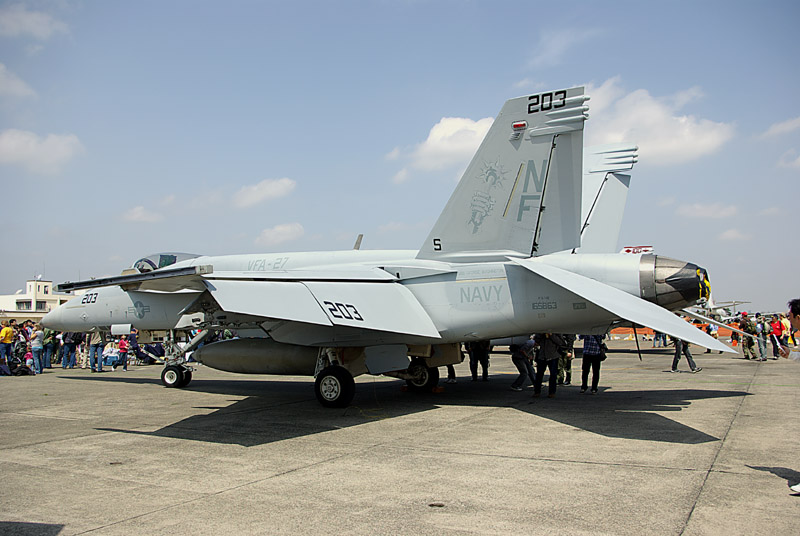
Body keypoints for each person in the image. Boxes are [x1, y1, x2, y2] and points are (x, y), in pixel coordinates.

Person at [532, 333, 564, 398]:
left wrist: (551, 335)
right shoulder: (541, 332)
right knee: (539, 375)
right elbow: (536, 340)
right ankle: (537, 391)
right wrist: (541, 335)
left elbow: (561, 342)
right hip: (542, 356)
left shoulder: (556, 332)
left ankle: (552, 392)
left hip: (553, 356)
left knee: (553, 375)